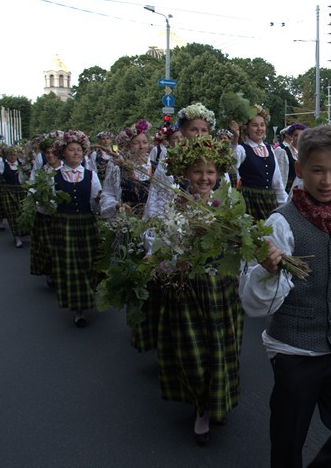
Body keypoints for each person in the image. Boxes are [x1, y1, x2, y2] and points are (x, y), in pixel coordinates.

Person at [240, 125, 331, 468]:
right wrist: (268, 271)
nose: (327, 181)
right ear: (300, 170)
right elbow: (255, 304)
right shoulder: (281, 223)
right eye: (317, 170)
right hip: (295, 349)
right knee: (288, 437)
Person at [143, 135, 243, 446]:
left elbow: (240, 243)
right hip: (186, 287)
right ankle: (201, 407)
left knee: (221, 350)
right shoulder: (175, 202)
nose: (204, 178)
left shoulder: (228, 204)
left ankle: (216, 402)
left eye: (210, 172)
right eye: (198, 172)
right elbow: (161, 240)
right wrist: (170, 261)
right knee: (193, 354)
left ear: (219, 174)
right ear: (187, 174)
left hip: (219, 286)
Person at [50, 130, 102, 328]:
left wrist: (103, 206)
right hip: (65, 225)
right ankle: (78, 310)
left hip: (87, 223)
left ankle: (88, 295)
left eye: (79, 150)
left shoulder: (91, 175)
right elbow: (47, 205)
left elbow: (96, 201)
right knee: (71, 265)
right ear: (63, 153)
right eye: (71, 150)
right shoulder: (54, 176)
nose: (76, 153)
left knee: (89, 263)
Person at [235, 105, 287, 220]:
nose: (259, 128)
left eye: (262, 125)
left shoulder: (270, 150)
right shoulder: (242, 149)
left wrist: (285, 206)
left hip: (269, 202)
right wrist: (234, 139)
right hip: (249, 202)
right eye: (255, 125)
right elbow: (231, 165)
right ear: (246, 128)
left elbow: (277, 182)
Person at [29, 133, 63, 287]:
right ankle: (49, 272)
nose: (50, 155)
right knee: (46, 246)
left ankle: (59, 272)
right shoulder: (41, 170)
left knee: (60, 247)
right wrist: (35, 198)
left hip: (61, 214)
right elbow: (31, 185)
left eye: (53, 152)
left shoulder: (65, 170)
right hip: (45, 213)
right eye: (47, 153)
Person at [100, 119, 153, 219]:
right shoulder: (117, 166)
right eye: (136, 143)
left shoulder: (155, 166)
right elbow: (107, 194)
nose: (141, 147)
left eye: (145, 142)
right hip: (128, 220)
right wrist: (117, 205)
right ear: (128, 146)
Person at [0, 144, 28, 248]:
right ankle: (16, 237)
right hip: (8, 191)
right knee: (11, 214)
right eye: (9, 155)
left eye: (14, 154)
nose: (12, 157)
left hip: (21, 191)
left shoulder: (22, 164)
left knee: (23, 213)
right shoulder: (2, 164)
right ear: (6, 155)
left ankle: (23, 231)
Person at [275, 123, 305, 193]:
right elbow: (281, 176)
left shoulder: (305, 152)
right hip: (289, 190)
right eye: (296, 135)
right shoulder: (284, 151)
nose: (298, 138)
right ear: (291, 136)